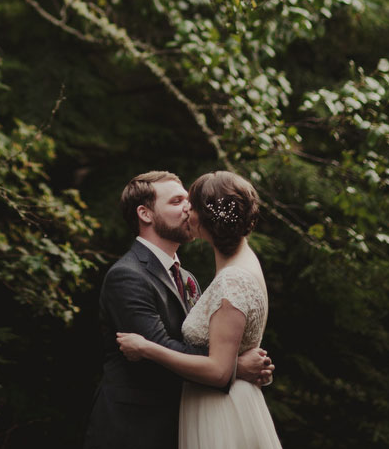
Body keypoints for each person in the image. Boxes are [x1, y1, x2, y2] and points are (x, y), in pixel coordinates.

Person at [82, 170, 273, 449]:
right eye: (176, 202)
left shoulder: (188, 278)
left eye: (188, 201)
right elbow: (156, 348)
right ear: (145, 214)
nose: (188, 208)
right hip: (135, 430)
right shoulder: (127, 275)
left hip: (183, 425)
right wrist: (235, 367)